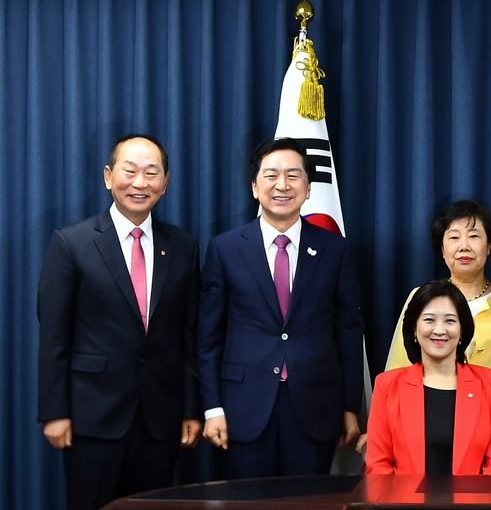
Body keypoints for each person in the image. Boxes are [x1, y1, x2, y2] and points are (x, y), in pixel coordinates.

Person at [37, 134, 202, 510]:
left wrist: (191, 408)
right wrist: (55, 412)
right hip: (92, 417)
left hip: (161, 419)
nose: (140, 182)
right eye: (130, 171)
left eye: (151, 173)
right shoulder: (72, 243)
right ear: (108, 177)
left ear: (165, 182)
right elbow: (53, 336)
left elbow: (188, 335)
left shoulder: (183, 246)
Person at [198, 138, 364, 478]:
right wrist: (212, 407)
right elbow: (209, 337)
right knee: (248, 500)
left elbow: (348, 332)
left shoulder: (336, 250)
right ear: (254, 187)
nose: (282, 185)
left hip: (315, 406)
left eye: (293, 175)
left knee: (308, 499)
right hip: (243, 407)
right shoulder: (225, 248)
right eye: (271, 175)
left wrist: (350, 406)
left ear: (308, 187)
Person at [383, 199, 491, 469]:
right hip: (425, 428)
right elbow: (399, 366)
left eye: (474, 236)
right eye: (454, 237)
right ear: (442, 248)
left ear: (489, 246)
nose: (464, 246)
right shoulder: (421, 298)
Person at [366, 280, 491, 475]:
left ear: (462, 329)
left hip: (473, 495)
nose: (439, 330)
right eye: (429, 320)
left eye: (450, 321)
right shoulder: (387, 385)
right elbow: (378, 466)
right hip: (404, 495)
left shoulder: (489, 383)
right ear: (414, 328)